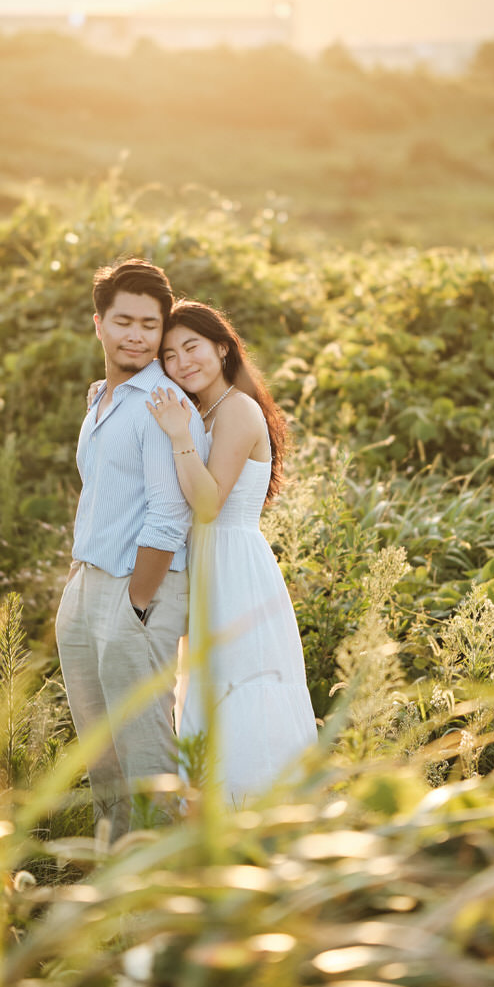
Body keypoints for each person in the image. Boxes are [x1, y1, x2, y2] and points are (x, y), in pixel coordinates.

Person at [55, 259, 207, 840]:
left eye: (150, 324)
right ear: (99, 324)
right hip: (87, 584)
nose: (138, 335)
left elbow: (171, 513)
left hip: (140, 589)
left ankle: (158, 884)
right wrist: (78, 580)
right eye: (124, 321)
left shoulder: (163, 402)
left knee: (145, 753)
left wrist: (139, 600)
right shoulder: (101, 396)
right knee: (100, 749)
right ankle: (112, 871)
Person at [146, 300, 317, 805]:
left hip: (235, 566)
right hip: (207, 564)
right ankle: (209, 813)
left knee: (241, 681)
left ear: (222, 347)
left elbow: (205, 504)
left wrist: (178, 436)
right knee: (206, 684)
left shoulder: (238, 409)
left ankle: (257, 809)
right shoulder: (202, 409)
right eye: (170, 355)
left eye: (192, 347)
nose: (182, 362)